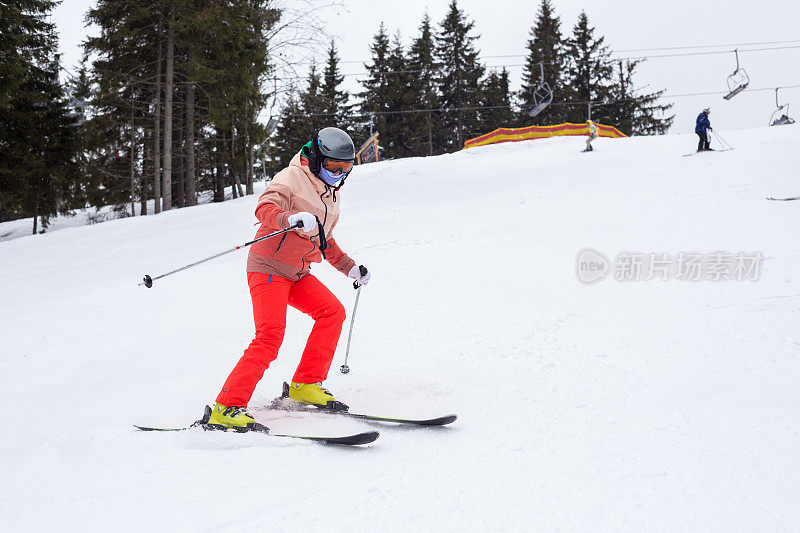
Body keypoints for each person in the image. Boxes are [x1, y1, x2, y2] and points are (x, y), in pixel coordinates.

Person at [207, 127, 371, 430]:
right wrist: (288, 219)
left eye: (345, 168)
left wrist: (349, 267)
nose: (338, 174)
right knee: (270, 336)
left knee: (332, 312)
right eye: (334, 166)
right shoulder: (291, 178)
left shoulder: (329, 195)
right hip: (267, 267)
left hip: (297, 272)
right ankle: (226, 407)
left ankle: (305, 384)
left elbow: (325, 240)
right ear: (319, 158)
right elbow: (265, 207)